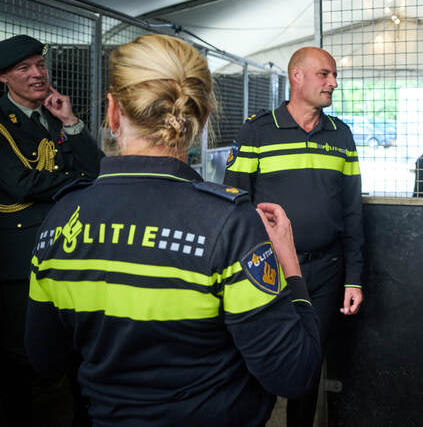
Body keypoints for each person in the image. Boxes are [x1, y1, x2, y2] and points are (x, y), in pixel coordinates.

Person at [24, 34, 321, 427]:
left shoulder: (62, 217)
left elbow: (45, 357)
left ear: (113, 112)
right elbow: (293, 373)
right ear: (204, 115)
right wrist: (291, 270)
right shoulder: (229, 223)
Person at [224, 46, 364, 427]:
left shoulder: (341, 135)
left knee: (309, 365)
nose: (333, 82)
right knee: (258, 358)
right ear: (297, 76)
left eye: (334, 75)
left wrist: (354, 277)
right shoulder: (257, 129)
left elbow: (353, 212)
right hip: (265, 272)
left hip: (324, 271)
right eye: (324, 74)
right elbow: (234, 202)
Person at [0, 34, 104, 426]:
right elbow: (20, 183)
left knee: (71, 346)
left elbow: (96, 170)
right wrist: (74, 178)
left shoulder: (53, 116)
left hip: (66, 251)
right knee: (20, 358)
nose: (37, 74)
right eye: (24, 68)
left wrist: (71, 121)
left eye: (40, 66)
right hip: (18, 259)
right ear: (3, 78)